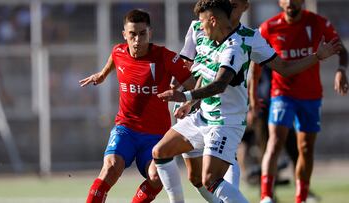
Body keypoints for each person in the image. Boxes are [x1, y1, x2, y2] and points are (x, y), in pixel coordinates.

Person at [151, 0, 342, 202]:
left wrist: (316, 57)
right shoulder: (200, 28)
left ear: (244, 7)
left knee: (211, 178)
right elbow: (197, 68)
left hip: (226, 121)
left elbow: (278, 69)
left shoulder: (243, 40)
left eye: (236, 3)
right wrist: (186, 97)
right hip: (202, 114)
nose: (232, 7)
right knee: (162, 153)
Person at [79, 9, 195, 203]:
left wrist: (189, 102)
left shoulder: (165, 57)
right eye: (132, 34)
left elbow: (193, 84)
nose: (137, 40)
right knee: (110, 167)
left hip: (156, 135)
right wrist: (102, 74)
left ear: (150, 33)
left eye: (142, 34)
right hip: (126, 129)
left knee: (157, 178)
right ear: (125, 35)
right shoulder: (118, 51)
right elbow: (114, 60)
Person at [252, 1, 349, 203]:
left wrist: (341, 70)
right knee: (275, 141)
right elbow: (255, 62)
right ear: (280, 2)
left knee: (305, 148)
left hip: (311, 96)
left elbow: (341, 49)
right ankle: (266, 196)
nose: (290, 3)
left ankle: (301, 197)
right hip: (281, 94)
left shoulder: (317, 23)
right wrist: (253, 94)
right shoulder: (268, 27)